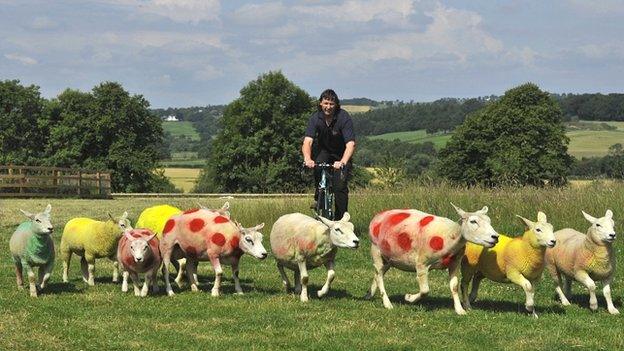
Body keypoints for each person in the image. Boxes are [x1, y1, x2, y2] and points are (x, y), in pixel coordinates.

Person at [302, 89, 355, 220]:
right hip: (324, 151)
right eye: (325, 103)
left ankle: (341, 221)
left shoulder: (343, 117)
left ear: (336, 105)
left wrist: (343, 162)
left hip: (341, 154)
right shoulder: (315, 118)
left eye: (331, 104)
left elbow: (350, 144)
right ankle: (318, 195)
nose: (328, 107)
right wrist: (307, 159)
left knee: (340, 187)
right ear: (320, 103)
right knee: (317, 166)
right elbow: (307, 141)